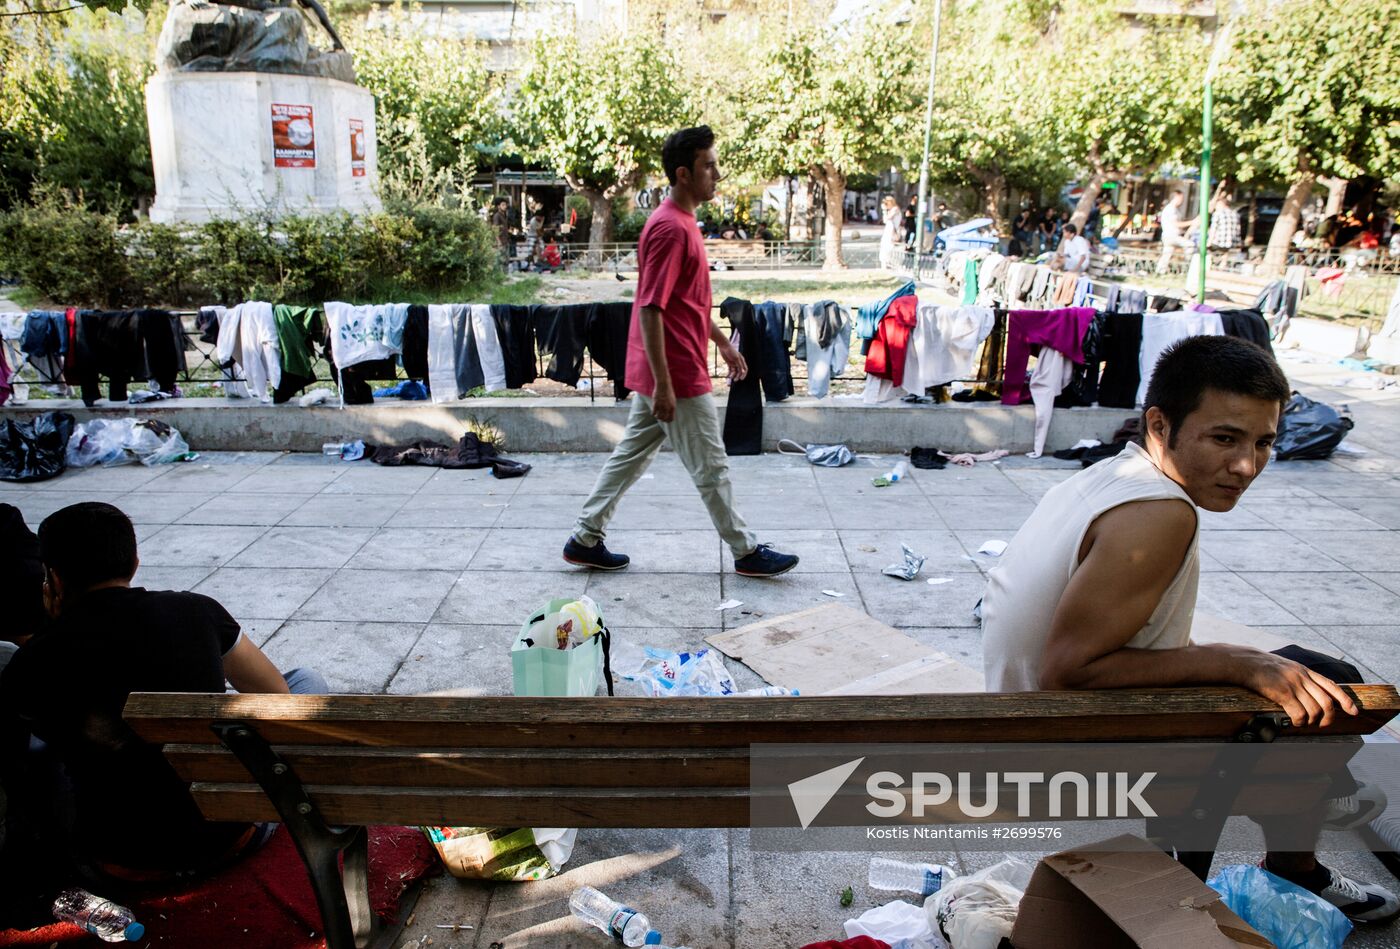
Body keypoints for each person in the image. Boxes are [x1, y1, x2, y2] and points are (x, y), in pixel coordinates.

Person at [980, 336, 1399, 923]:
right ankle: (1312, 824)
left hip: (1037, 718)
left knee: (1311, 671)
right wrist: (1236, 663)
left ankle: (1325, 798)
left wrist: (1241, 663)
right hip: (1076, 743)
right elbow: (1070, 672)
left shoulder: (1111, 474)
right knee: (1325, 704)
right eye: (1224, 438)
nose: (1246, 465)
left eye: (1263, 442)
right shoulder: (1158, 513)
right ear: (1161, 423)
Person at [0, 502, 328, 881]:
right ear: (134, 562)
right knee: (306, 682)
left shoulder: (31, 661)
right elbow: (278, 697)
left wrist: (52, 634)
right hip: (228, 838)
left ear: (53, 579)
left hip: (116, 858)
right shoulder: (195, 611)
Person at [561, 126, 799, 578]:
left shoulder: (684, 222)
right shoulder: (670, 228)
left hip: (666, 371)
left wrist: (723, 341)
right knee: (713, 467)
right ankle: (747, 552)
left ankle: (584, 537)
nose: (717, 173)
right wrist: (666, 387)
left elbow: (683, 304)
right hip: (675, 374)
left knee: (629, 457)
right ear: (684, 173)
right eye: (709, 165)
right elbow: (650, 310)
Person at [1156, 190, 1194, 274]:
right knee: (1190, 245)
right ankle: (1187, 267)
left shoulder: (1174, 209)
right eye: (1181, 198)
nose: (1182, 201)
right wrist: (1192, 222)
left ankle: (1160, 271)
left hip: (1169, 235)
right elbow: (1176, 224)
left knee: (1167, 254)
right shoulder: (1171, 209)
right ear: (1176, 198)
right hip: (1172, 235)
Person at [879, 195, 902, 270]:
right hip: (889, 230)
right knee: (885, 246)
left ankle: (891, 263)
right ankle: (885, 263)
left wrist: (885, 210)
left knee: (890, 247)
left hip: (893, 230)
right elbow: (885, 220)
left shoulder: (895, 209)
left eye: (887, 204)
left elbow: (888, 218)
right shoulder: (890, 210)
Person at [489, 197, 512, 271]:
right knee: (500, 260)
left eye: (505, 205)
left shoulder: (504, 215)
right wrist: (498, 241)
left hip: (506, 240)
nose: (505, 206)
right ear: (498, 206)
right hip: (501, 241)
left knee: (506, 259)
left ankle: (505, 275)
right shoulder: (497, 216)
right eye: (503, 205)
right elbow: (495, 229)